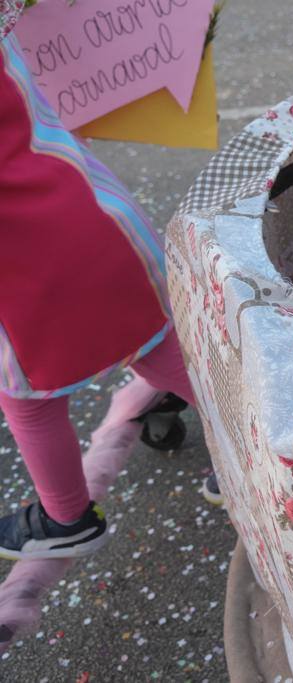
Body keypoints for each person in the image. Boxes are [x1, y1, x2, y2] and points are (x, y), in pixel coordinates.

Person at [0, 20, 205, 561]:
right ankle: (259, 457)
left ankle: (65, 517)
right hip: (98, 213)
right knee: (157, 341)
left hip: (21, 264)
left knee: (28, 399)